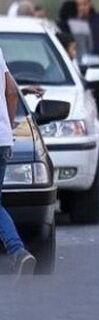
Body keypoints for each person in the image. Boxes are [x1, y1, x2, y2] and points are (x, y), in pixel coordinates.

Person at [0, 49, 37, 275]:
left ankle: (17, 250)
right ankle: (18, 252)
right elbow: (11, 91)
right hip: (3, 140)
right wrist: (8, 127)